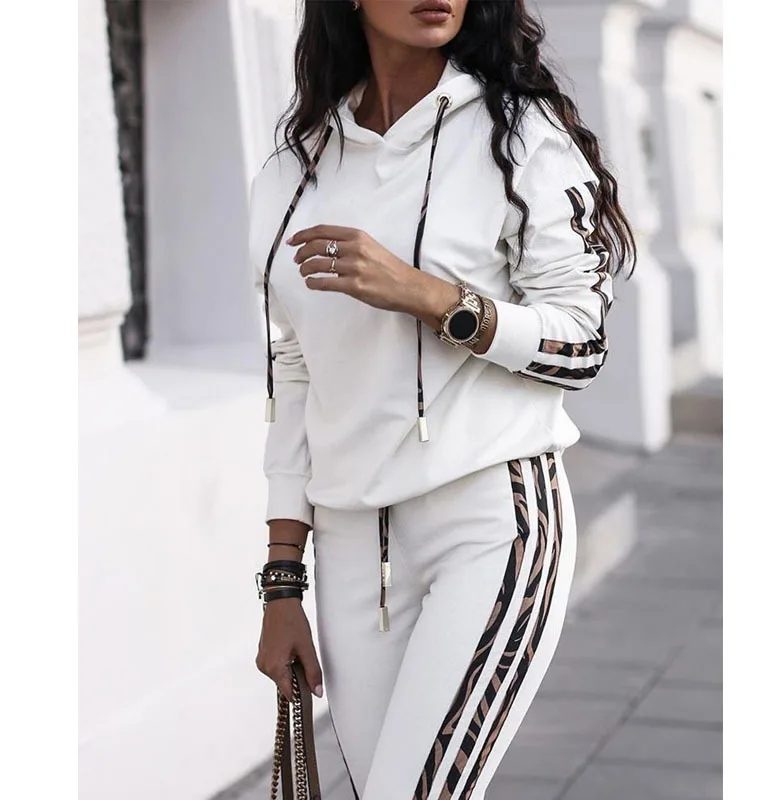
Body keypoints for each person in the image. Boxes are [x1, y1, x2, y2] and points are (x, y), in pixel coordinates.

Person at [251, 1, 636, 797]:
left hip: (488, 522)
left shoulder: (519, 136)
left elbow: (583, 343)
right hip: (351, 549)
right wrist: (282, 582)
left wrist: (431, 296)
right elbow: (294, 372)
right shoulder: (295, 170)